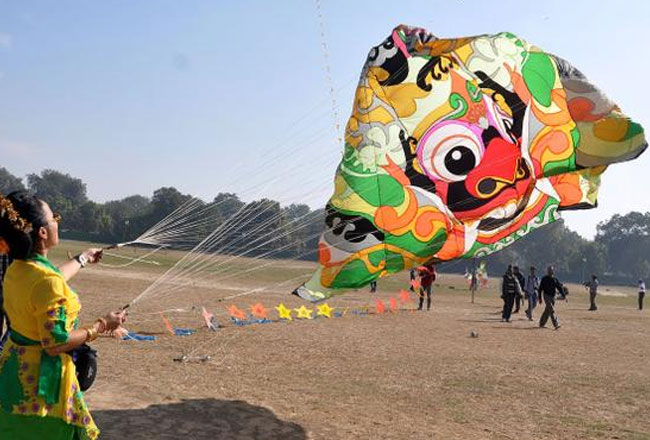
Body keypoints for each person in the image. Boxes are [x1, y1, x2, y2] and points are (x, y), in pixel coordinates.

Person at [0, 191, 126, 439]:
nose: (58, 221)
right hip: (41, 390)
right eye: (53, 218)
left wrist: (83, 258)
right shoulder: (45, 281)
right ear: (42, 232)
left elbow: (49, 281)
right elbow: (55, 343)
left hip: (13, 376)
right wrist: (101, 326)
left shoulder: (18, 268)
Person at [538, 265, 564, 329]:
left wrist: (563, 295)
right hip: (546, 296)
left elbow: (559, 287)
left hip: (553, 297)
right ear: (547, 271)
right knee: (551, 310)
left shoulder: (555, 279)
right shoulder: (544, 279)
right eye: (549, 270)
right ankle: (556, 324)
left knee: (547, 310)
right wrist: (540, 298)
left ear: (553, 271)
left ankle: (541, 323)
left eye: (551, 270)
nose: (550, 271)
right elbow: (540, 289)